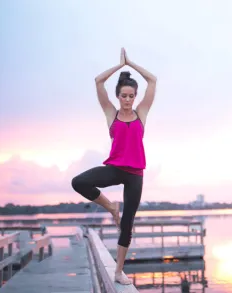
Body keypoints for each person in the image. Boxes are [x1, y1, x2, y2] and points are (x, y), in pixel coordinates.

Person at [71, 47, 157, 285]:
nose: (128, 100)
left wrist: (132, 63)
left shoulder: (141, 114)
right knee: (79, 182)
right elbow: (98, 81)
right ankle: (111, 207)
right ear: (118, 96)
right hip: (115, 169)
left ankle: (119, 272)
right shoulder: (111, 113)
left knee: (127, 224)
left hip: (135, 175)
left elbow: (153, 80)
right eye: (123, 96)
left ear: (135, 97)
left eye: (131, 96)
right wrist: (120, 66)